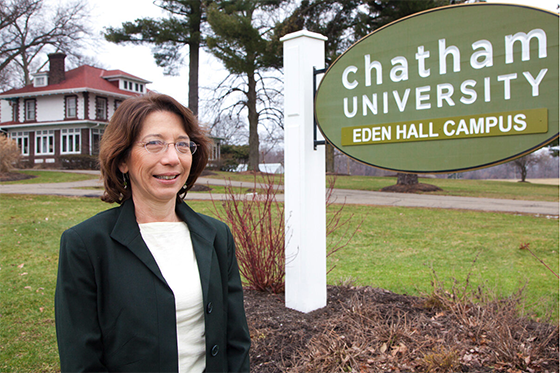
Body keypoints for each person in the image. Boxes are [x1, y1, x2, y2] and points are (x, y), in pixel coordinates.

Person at [55, 93, 251, 373]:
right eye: (154, 144)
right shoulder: (86, 245)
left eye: (182, 144)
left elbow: (236, 341)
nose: (172, 158)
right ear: (123, 159)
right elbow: (80, 362)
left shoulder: (217, 236)